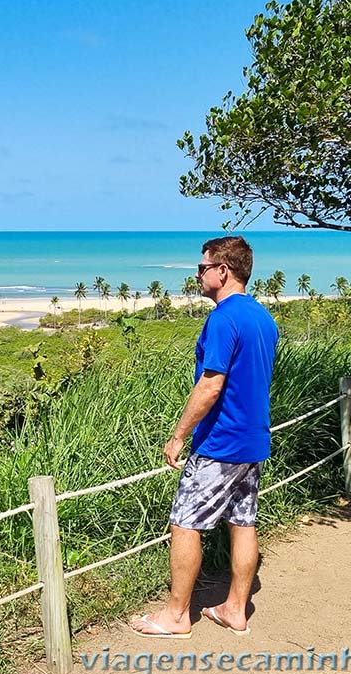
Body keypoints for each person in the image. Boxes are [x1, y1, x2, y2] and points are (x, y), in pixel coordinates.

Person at [130, 235, 278, 639]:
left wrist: (179, 434)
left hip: (220, 442)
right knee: (243, 522)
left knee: (184, 523)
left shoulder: (223, 318)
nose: (197, 275)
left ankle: (177, 615)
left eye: (202, 267)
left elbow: (211, 385)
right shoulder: (263, 318)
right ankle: (235, 608)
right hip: (252, 439)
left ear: (222, 271)